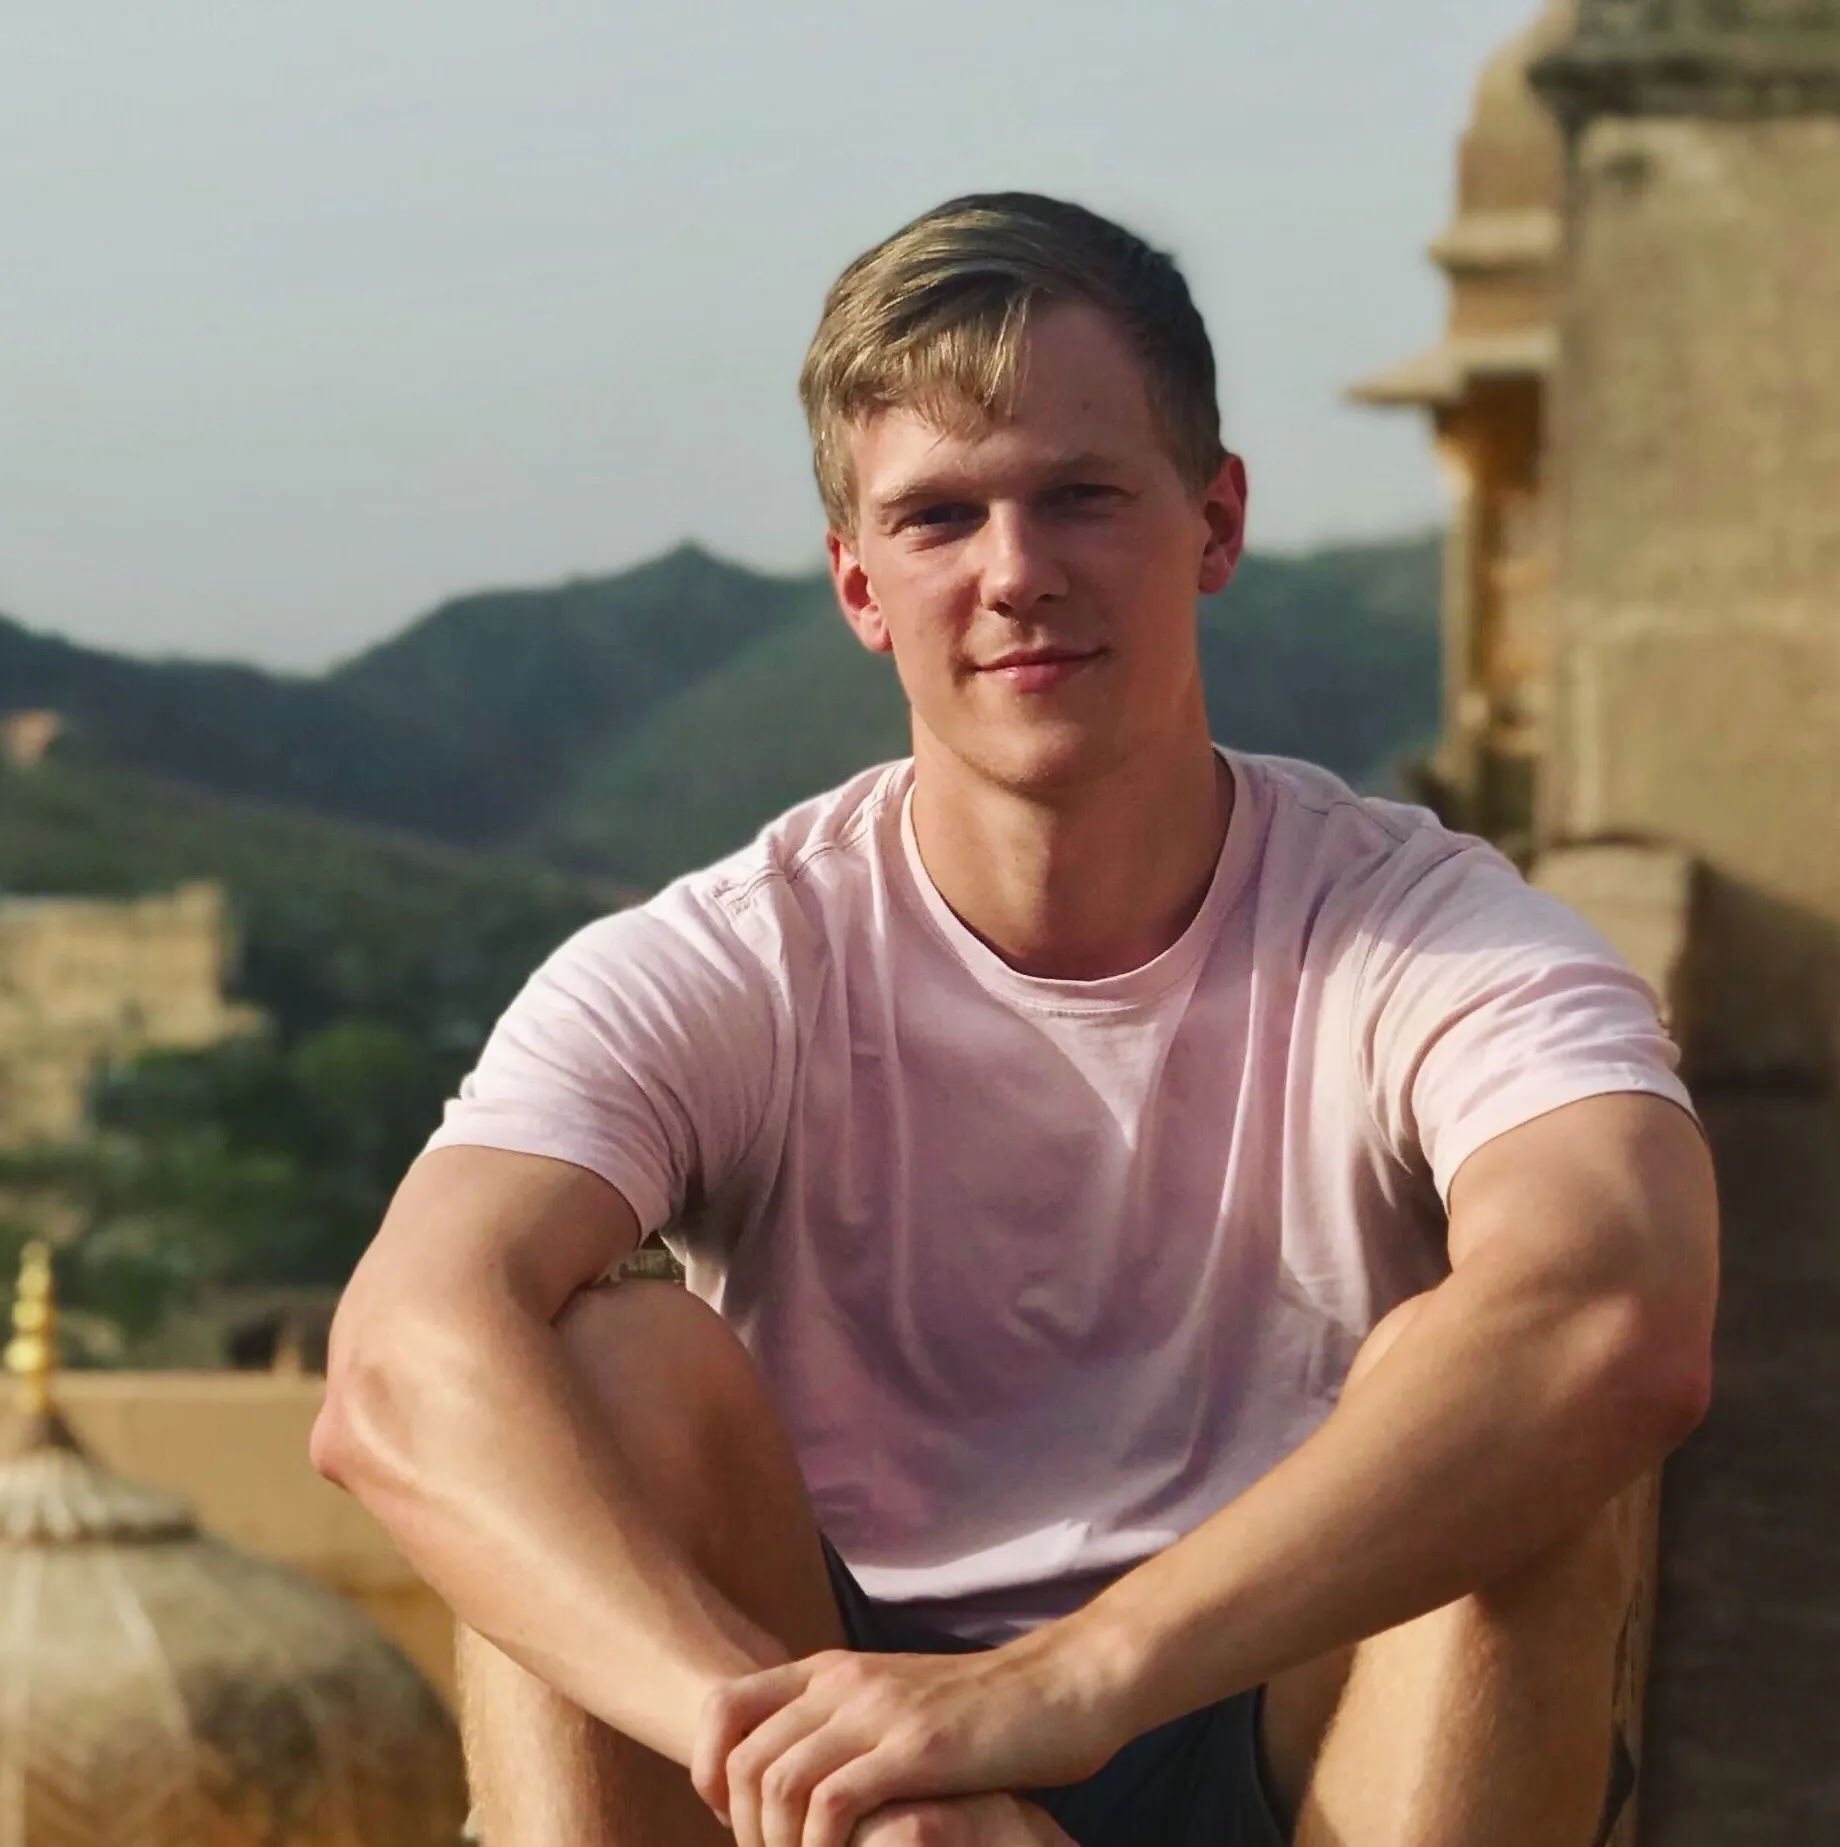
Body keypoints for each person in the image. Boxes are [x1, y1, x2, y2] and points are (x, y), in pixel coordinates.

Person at [312, 193, 1719, 1847]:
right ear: (856, 581)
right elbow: (398, 1367)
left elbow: (1617, 1310)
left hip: (1273, 1707)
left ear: (1214, 521)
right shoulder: (742, 956)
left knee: (1517, 1434)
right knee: (600, 1368)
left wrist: (1065, 1684)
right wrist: (831, 1761)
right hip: (830, 1708)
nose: (1016, 574)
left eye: (1081, 496)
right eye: (938, 519)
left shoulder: (1415, 932)